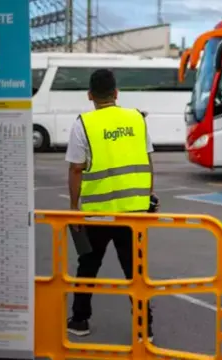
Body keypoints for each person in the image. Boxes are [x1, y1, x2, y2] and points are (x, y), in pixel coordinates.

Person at [64, 69, 155, 342]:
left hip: (98, 214)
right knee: (135, 270)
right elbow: (148, 161)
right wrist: (149, 196)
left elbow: (76, 169)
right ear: (116, 93)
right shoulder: (137, 119)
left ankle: (80, 320)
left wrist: (73, 207)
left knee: (88, 265)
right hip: (134, 213)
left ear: (90, 95)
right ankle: (144, 329)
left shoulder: (83, 123)